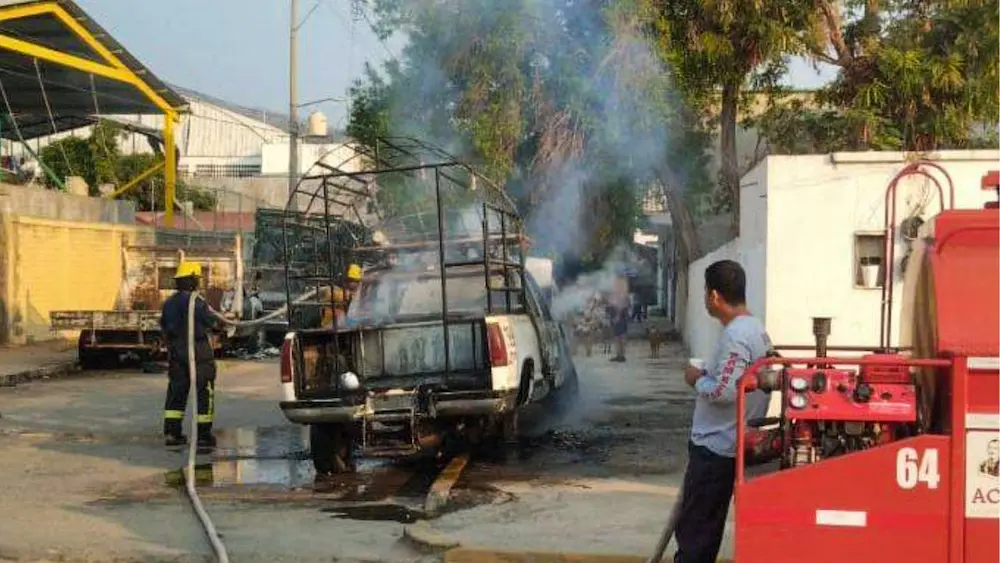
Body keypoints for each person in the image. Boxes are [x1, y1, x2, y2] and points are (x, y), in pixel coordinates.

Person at [675, 259, 773, 563]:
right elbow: (738, 375)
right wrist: (708, 367)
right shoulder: (756, 329)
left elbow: (725, 390)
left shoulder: (735, 336)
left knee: (696, 535)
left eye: (706, 292)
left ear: (714, 296)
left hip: (716, 448)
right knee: (702, 529)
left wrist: (696, 379)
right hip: (733, 441)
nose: (706, 298)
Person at [160, 262, 222, 448]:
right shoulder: (198, 302)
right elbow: (213, 323)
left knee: (176, 393)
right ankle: (203, 435)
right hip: (199, 354)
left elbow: (164, 326)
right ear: (193, 280)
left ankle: (172, 433)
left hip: (177, 355)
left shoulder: (169, 303)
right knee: (204, 392)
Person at [320, 263, 363, 328]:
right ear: (348, 280)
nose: (358, 284)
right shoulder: (334, 291)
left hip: (343, 327)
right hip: (331, 327)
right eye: (357, 281)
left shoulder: (348, 292)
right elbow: (350, 299)